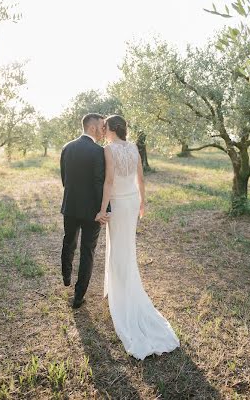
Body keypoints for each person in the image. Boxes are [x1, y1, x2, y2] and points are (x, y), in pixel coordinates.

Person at [95, 114, 180, 360]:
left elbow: (109, 181)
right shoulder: (133, 148)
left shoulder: (108, 150)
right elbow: (140, 177)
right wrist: (143, 202)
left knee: (120, 247)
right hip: (132, 201)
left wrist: (102, 209)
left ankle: (121, 291)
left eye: (104, 126)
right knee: (125, 246)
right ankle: (118, 285)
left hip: (119, 203)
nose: (103, 129)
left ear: (111, 129)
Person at [60, 113, 109, 309]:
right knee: (87, 251)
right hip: (92, 211)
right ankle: (78, 296)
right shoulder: (99, 151)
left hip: (70, 206)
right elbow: (99, 182)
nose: (104, 130)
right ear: (92, 128)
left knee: (68, 241)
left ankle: (66, 276)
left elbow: (65, 178)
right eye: (101, 126)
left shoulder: (67, 147)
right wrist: (104, 209)